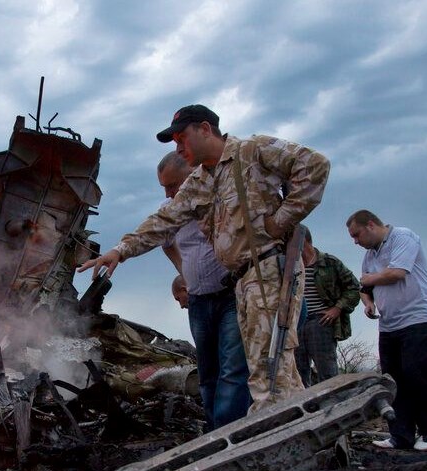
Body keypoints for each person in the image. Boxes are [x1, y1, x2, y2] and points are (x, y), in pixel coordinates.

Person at [80, 104, 330, 412]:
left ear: (205, 129)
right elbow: (164, 220)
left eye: (182, 137)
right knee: (280, 374)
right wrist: (121, 250)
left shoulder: (252, 150)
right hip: (243, 281)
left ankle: (267, 448)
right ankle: (309, 438)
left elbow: (315, 165)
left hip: (269, 270)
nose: (178, 146)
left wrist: (280, 221)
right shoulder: (201, 181)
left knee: (269, 370)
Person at [160, 152, 250, 428]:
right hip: (199, 300)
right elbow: (165, 242)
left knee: (233, 369)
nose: (168, 192)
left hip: (230, 296)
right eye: (164, 187)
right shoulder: (171, 208)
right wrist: (184, 272)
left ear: (192, 173)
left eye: (172, 185)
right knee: (208, 371)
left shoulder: (220, 197)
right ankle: (214, 431)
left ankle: (231, 435)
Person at [346, 210, 427, 451]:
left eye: (357, 235)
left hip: (418, 319)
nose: (355, 241)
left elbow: (396, 273)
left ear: (370, 225)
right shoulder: (370, 255)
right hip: (389, 324)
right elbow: (364, 285)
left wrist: (370, 279)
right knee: (393, 380)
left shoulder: (403, 237)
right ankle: (401, 435)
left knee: (417, 375)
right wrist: (367, 303)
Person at [296, 229, 361, 387]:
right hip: (295, 323)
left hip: (321, 322)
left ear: (302, 240)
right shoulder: (290, 265)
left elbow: (354, 288)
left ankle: (333, 408)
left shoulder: (329, 262)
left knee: (328, 374)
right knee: (297, 375)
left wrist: (337, 308)